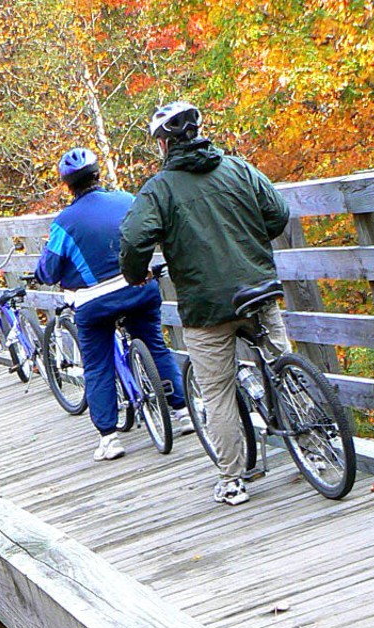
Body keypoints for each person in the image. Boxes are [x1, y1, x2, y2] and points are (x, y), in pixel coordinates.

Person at [120, 101, 290, 506]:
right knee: (283, 366)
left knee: (217, 392)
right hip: (259, 287)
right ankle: (314, 438)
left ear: (163, 145)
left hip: (207, 306)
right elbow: (278, 214)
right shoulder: (239, 168)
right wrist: (249, 242)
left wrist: (136, 274)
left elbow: (134, 240)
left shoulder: (159, 189)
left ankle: (233, 480)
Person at [34, 148, 192, 462]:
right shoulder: (126, 200)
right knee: (154, 344)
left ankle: (109, 437)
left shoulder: (64, 223)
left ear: (68, 185)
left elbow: (49, 270)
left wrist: (42, 273)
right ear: (98, 174)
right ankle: (183, 412)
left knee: (97, 364)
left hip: (95, 303)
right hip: (139, 287)